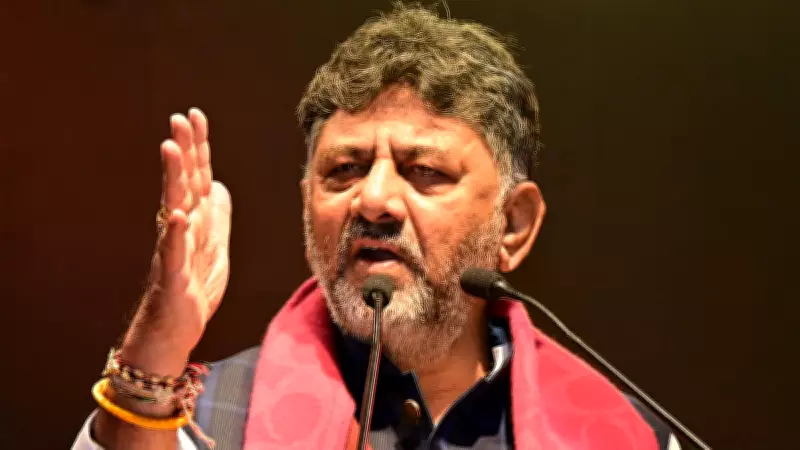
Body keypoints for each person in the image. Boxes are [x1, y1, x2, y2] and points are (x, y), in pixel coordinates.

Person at [73, 4, 678, 450]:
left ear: (513, 226)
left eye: (424, 171)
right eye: (345, 169)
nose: (375, 200)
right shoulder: (201, 420)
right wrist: (152, 354)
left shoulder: (631, 437)